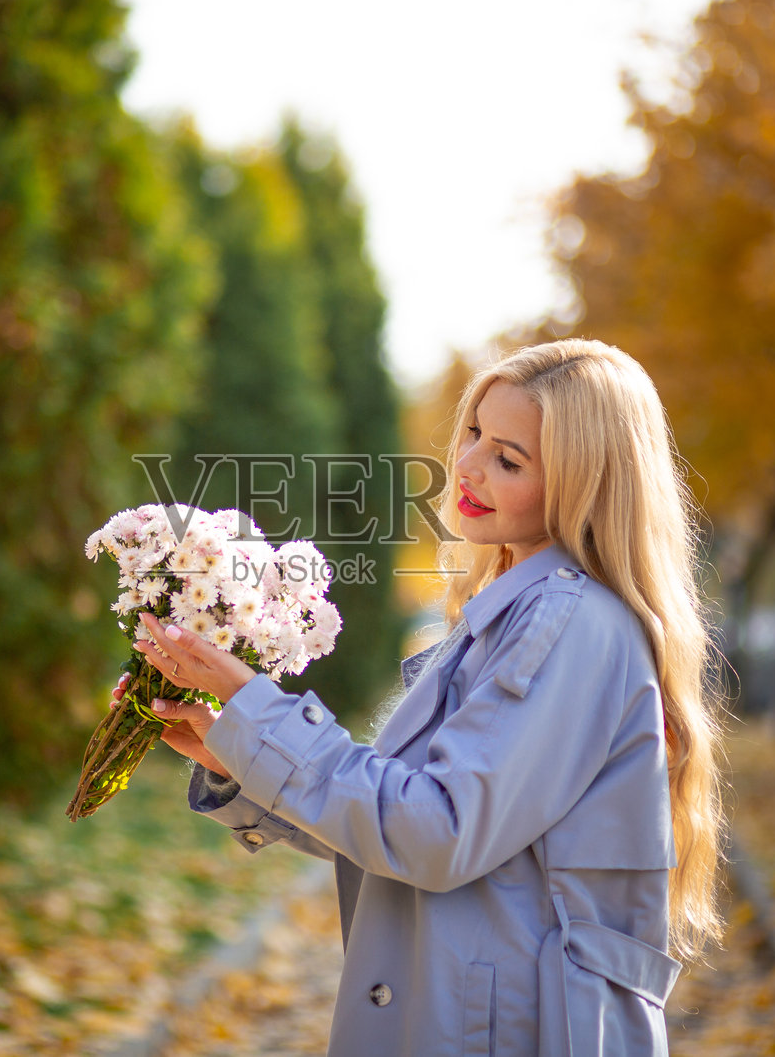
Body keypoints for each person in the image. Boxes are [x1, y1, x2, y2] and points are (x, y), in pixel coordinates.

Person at [116, 339, 725, 1056]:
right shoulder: (515, 616)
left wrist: (258, 712)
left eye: (509, 459)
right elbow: (401, 822)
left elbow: (437, 831)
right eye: (474, 433)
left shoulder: (567, 624)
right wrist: (237, 753)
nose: (468, 465)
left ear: (582, 484)